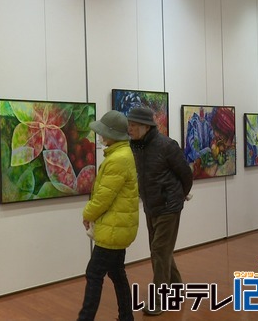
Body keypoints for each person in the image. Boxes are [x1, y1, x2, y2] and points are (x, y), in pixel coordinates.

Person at [127, 107, 193, 316]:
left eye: (133, 125)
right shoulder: (135, 146)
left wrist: (180, 195)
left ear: (146, 126)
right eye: (129, 124)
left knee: (158, 251)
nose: (129, 128)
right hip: (150, 205)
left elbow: (185, 173)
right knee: (161, 251)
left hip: (169, 207)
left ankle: (158, 300)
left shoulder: (166, 145)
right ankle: (177, 287)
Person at [78, 111, 139, 321]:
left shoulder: (118, 159)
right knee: (116, 273)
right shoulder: (121, 155)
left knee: (94, 274)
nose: (100, 136)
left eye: (103, 132)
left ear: (113, 134)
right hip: (118, 226)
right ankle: (126, 316)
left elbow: (103, 197)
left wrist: (87, 214)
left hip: (113, 228)